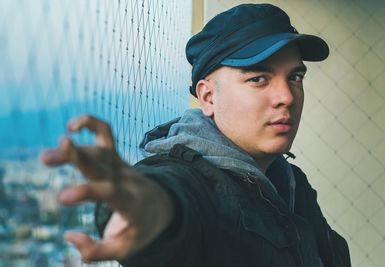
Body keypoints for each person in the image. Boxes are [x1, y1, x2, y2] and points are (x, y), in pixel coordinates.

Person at [41, 3, 351, 267]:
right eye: (258, 78)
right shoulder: (190, 180)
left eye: (295, 77)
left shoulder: (290, 181)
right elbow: (171, 198)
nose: (286, 96)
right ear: (208, 97)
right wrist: (149, 212)